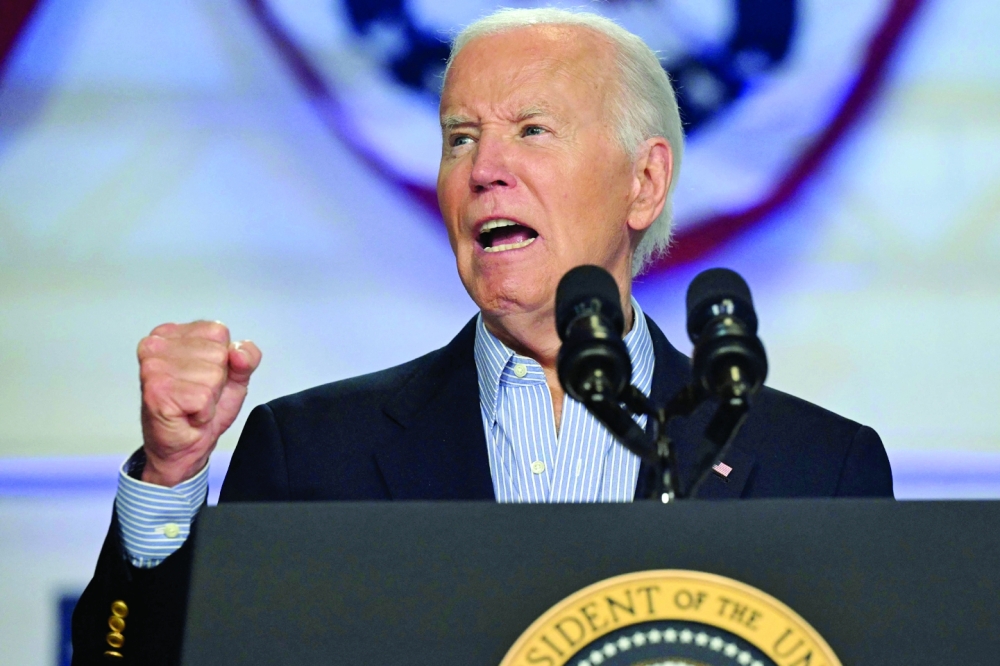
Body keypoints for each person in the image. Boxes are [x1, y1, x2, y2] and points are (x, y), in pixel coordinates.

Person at [71, 8, 893, 665]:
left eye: (532, 130)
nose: (482, 169)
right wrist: (171, 478)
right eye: (460, 137)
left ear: (644, 182)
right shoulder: (312, 453)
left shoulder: (817, 466)